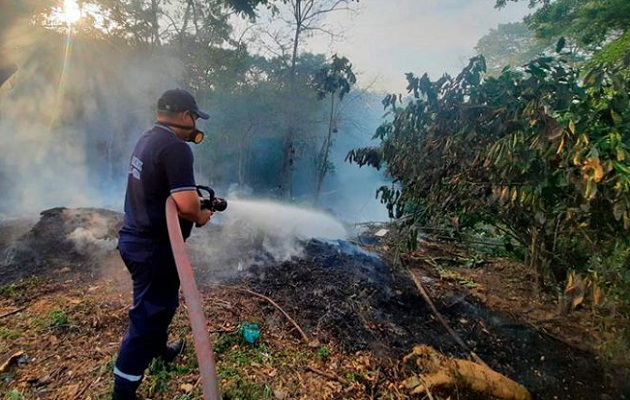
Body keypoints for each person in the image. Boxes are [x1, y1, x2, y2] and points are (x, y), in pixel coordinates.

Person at [113, 89, 213, 400]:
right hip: (154, 247)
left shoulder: (148, 139)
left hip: (136, 239)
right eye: (194, 117)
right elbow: (185, 204)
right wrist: (202, 215)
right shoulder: (176, 147)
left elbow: (163, 190)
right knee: (149, 315)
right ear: (185, 117)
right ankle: (123, 391)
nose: (195, 124)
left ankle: (159, 350)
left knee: (161, 303)